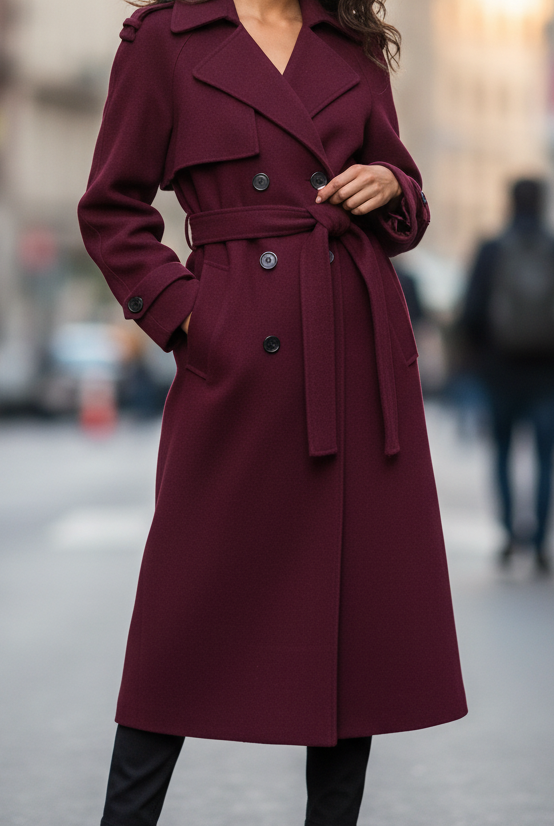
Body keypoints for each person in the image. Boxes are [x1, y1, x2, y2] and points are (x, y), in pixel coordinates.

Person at [77, 0, 468, 823]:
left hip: (353, 358)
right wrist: (193, 318)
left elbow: (407, 207)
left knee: (348, 628)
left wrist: (392, 183)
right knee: (177, 619)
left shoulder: (351, 42)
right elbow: (112, 208)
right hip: (238, 364)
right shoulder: (164, 40)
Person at [462, 178, 554, 574]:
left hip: (500, 372)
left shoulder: (491, 250)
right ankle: (538, 542)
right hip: (547, 374)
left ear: (510, 204)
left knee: (501, 452)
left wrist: (479, 355)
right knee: (544, 458)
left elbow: (471, 312)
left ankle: (506, 535)